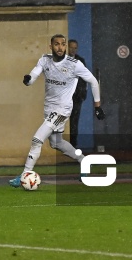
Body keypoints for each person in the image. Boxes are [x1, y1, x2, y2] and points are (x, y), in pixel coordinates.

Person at [9, 34, 105, 188]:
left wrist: (97, 106)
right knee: (56, 142)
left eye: (63, 44)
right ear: (51, 46)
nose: (60, 47)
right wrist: (29, 80)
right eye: (56, 44)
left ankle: (24, 175)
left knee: (37, 139)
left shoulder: (75, 64)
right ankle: (84, 161)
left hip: (63, 110)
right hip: (49, 108)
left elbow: (93, 81)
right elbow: (34, 73)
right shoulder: (45, 60)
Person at [67, 39, 87, 148]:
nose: (73, 50)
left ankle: (73, 144)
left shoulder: (81, 61)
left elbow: (84, 78)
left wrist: (83, 93)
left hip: (77, 96)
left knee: (74, 121)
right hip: (65, 97)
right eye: (71, 47)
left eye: (75, 48)